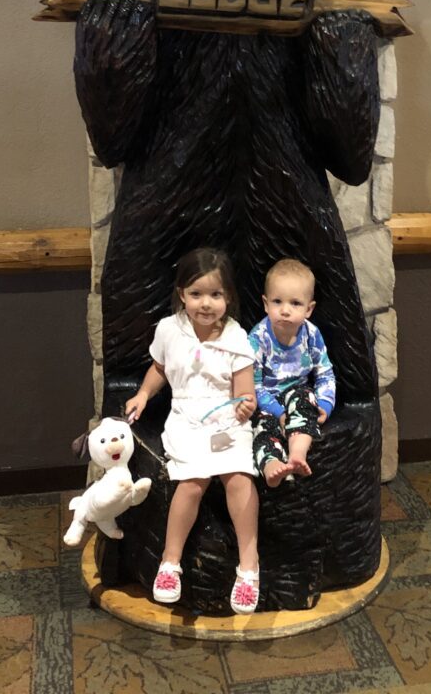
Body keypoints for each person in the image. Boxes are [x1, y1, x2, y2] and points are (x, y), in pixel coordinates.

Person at [124, 248, 260, 614]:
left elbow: (245, 392)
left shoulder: (236, 337)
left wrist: (245, 405)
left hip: (227, 420)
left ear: (228, 297)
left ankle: (249, 566)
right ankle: (170, 562)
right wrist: (142, 394)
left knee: (238, 478)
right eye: (197, 294)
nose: (206, 303)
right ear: (182, 293)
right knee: (192, 481)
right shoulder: (169, 329)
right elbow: (159, 369)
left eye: (215, 295)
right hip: (186, 417)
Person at [250, 259, 336, 487]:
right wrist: (277, 412)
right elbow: (253, 384)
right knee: (261, 428)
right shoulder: (258, 338)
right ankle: (271, 467)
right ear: (266, 304)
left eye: (295, 303)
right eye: (277, 301)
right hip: (266, 399)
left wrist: (326, 404)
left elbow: (325, 373)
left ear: (309, 309)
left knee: (304, 400)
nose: (285, 310)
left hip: (297, 392)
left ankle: (298, 454)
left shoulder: (312, 335)